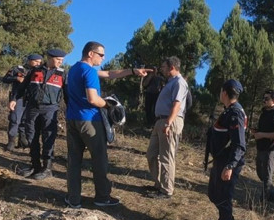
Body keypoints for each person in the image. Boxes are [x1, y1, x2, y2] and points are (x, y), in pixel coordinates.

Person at [64, 41, 151, 208]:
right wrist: (109, 105)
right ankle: (102, 197)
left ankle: (73, 199)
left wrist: (132, 71)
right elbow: (93, 99)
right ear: (91, 54)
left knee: (74, 160)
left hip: (72, 119)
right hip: (90, 121)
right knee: (99, 159)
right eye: (101, 55)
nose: (104, 58)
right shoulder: (89, 72)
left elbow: (110, 74)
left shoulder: (74, 69)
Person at [204, 79, 247, 220]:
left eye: (221, 91)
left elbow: (239, 144)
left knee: (222, 197)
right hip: (222, 160)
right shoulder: (229, 110)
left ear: (225, 93)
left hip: (228, 163)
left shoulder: (235, 113)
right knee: (215, 194)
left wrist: (230, 166)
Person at [15, 48, 68, 180]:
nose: (60, 62)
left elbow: (67, 94)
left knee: (48, 138)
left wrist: (70, 109)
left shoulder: (63, 74)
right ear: (49, 58)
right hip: (33, 108)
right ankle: (35, 166)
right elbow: (22, 88)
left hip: (50, 110)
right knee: (32, 137)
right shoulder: (34, 71)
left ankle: (47, 168)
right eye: (58, 59)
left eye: (62, 60)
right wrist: (14, 100)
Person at [145, 56, 188, 199]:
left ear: (172, 67)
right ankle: (159, 184)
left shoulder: (179, 83)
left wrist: (169, 122)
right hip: (160, 121)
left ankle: (166, 190)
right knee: (151, 154)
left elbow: (177, 104)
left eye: (164, 67)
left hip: (169, 121)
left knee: (166, 157)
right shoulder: (170, 82)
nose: (162, 69)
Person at [252, 89, 274, 202]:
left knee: (267, 176)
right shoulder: (264, 113)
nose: (264, 100)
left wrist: (261, 135)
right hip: (261, 148)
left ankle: (263, 203)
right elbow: (266, 129)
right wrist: (257, 131)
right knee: (260, 173)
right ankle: (273, 196)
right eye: (263, 98)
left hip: (271, 149)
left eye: (267, 98)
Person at [1, 53, 42, 151]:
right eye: (36, 61)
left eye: (39, 62)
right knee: (15, 119)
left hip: (31, 99)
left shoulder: (39, 71)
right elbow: (5, 79)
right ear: (29, 60)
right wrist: (17, 78)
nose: (38, 63)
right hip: (18, 97)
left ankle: (22, 141)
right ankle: (11, 141)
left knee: (26, 121)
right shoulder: (17, 69)